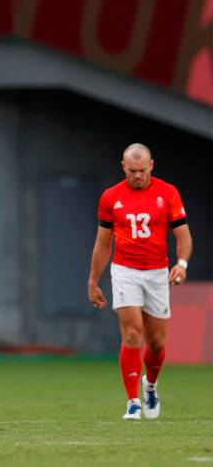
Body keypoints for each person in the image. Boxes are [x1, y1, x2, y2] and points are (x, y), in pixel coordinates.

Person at [87, 143, 192, 421]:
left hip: (157, 273)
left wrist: (181, 264)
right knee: (132, 333)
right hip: (125, 271)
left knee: (156, 344)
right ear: (123, 167)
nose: (137, 176)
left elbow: (183, 235)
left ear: (151, 166)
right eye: (132, 170)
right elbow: (102, 242)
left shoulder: (167, 193)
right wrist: (93, 280)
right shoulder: (110, 197)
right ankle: (133, 401)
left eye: (142, 170)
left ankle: (151, 386)